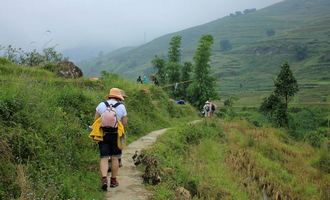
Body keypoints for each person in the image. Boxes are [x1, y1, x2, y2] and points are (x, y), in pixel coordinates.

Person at [94, 88, 128, 191]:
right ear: (119, 97)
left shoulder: (101, 105)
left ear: (109, 95)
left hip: (103, 135)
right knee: (115, 158)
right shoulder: (122, 107)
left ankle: (104, 179)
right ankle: (113, 181)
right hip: (116, 136)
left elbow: (96, 120)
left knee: (104, 157)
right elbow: (125, 123)